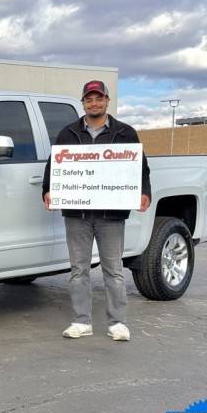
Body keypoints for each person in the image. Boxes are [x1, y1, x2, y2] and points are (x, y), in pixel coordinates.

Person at [41, 80, 151, 341]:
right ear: (83, 103)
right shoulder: (68, 133)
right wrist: (47, 189)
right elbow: (54, 165)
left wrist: (144, 191)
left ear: (107, 101)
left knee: (113, 270)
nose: (94, 103)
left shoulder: (125, 133)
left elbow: (140, 168)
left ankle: (117, 323)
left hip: (111, 215)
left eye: (98, 98)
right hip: (77, 214)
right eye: (89, 99)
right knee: (78, 270)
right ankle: (81, 321)